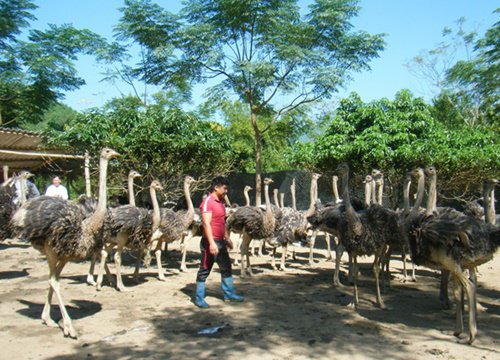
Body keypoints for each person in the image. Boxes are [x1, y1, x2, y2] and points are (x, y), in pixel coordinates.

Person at [194, 176, 244, 308]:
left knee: (226, 268)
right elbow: (206, 223)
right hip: (209, 242)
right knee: (204, 270)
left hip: (221, 242)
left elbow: (222, 223)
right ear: (216, 187)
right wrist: (211, 243)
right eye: (224, 188)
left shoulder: (220, 203)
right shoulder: (207, 202)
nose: (226, 191)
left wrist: (227, 239)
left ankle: (229, 294)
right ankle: (199, 298)